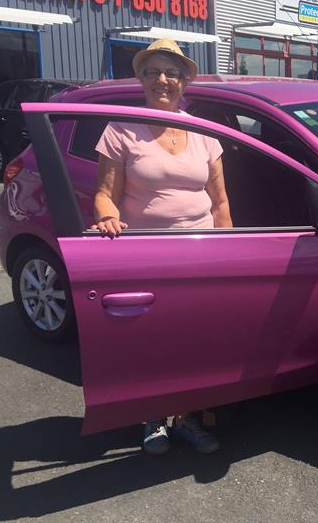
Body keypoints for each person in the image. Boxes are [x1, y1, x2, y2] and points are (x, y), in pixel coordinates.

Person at [92, 38, 232, 455]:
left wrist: (230, 254)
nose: (162, 80)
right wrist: (106, 217)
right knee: (151, 340)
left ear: (185, 81)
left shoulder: (204, 134)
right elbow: (104, 194)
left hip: (200, 253)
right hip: (147, 254)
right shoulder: (121, 129)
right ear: (141, 79)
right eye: (152, 72)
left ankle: (187, 417)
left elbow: (221, 202)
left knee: (193, 340)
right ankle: (153, 418)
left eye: (171, 73)